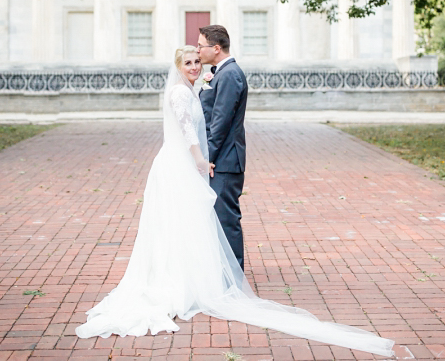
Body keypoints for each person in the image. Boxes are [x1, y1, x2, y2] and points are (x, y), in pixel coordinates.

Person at [75, 45, 394, 357]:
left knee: (186, 221)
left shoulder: (193, 88)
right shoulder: (180, 93)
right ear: (177, 66)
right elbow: (188, 131)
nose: (194, 67)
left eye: (196, 61)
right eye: (188, 62)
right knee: (177, 220)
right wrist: (202, 160)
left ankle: (188, 276)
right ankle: (179, 280)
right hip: (179, 164)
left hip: (183, 163)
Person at [197, 25, 248, 271]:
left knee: (226, 219)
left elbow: (221, 122)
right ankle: (221, 273)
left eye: (200, 45)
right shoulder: (221, 73)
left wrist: (208, 158)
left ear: (216, 49)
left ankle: (233, 278)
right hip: (223, 158)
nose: (197, 50)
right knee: (218, 218)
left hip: (225, 161)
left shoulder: (229, 75)